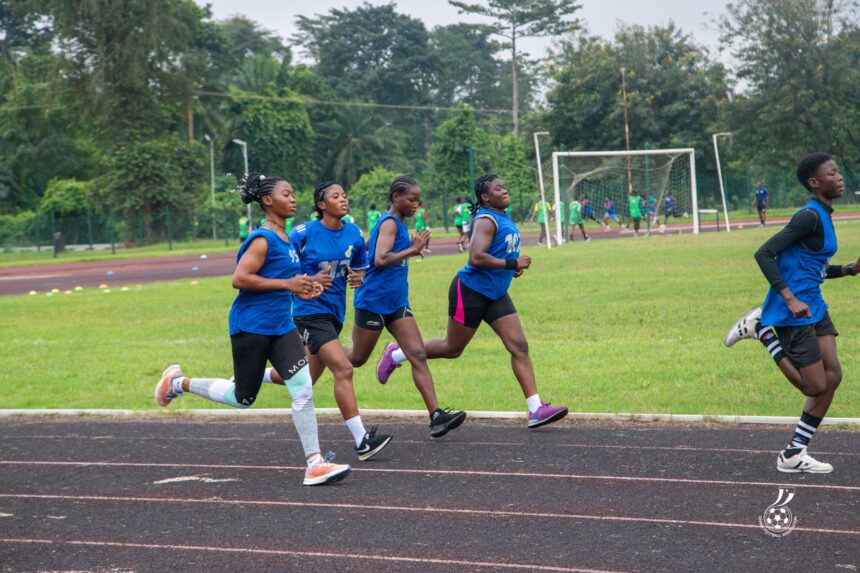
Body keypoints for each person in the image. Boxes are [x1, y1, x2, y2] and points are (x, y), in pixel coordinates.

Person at [154, 174, 351, 486]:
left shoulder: (287, 241)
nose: (293, 198)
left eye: (294, 193)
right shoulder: (262, 239)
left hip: (281, 326)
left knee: (302, 388)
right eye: (287, 194)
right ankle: (179, 382)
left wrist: (306, 285)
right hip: (251, 326)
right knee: (243, 397)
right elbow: (240, 278)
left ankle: (314, 463)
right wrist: (289, 283)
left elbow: (284, 279)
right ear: (268, 201)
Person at [377, 174, 568, 429]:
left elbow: (496, 252)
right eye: (498, 188)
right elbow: (476, 257)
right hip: (470, 292)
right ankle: (398, 353)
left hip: (496, 293)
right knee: (452, 348)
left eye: (504, 186)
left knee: (519, 345)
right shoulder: (485, 220)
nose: (505, 190)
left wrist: (509, 268)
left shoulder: (502, 217)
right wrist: (512, 263)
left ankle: (536, 408)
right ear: (485, 197)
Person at [724, 153, 859, 474]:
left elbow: (813, 270)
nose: (839, 178)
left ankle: (793, 454)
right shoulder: (808, 217)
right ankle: (763, 332)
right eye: (832, 173)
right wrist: (788, 297)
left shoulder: (824, 217)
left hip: (814, 306)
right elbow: (765, 253)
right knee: (813, 386)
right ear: (815, 183)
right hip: (792, 311)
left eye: (839, 172)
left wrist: (851, 269)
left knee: (833, 377)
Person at [264, 182, 392, 461]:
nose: (343, 199)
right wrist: (309, 281)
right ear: (322, 205)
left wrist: (359, 277)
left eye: (344, 195)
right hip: (309, 313)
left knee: (304, 377)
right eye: (336, 196)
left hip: (335, 314)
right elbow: (284, 267)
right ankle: (362, 441)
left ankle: (252, 376)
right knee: (344, 368)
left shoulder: (354, 234)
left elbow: (359, 268)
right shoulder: (303, 233)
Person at [352, 176, 466, 438]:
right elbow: (380, 259)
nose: (416, 204)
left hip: (397, 303)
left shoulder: (396, 224)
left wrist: (408, 250)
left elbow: (370, 251)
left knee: (417, 354)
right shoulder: (391, 222)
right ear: (396, 198)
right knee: (356, 359)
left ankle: (437, 416)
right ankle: (320, 351)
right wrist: (413, 250)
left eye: (418, 199)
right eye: (411, 199)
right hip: (373, 302)